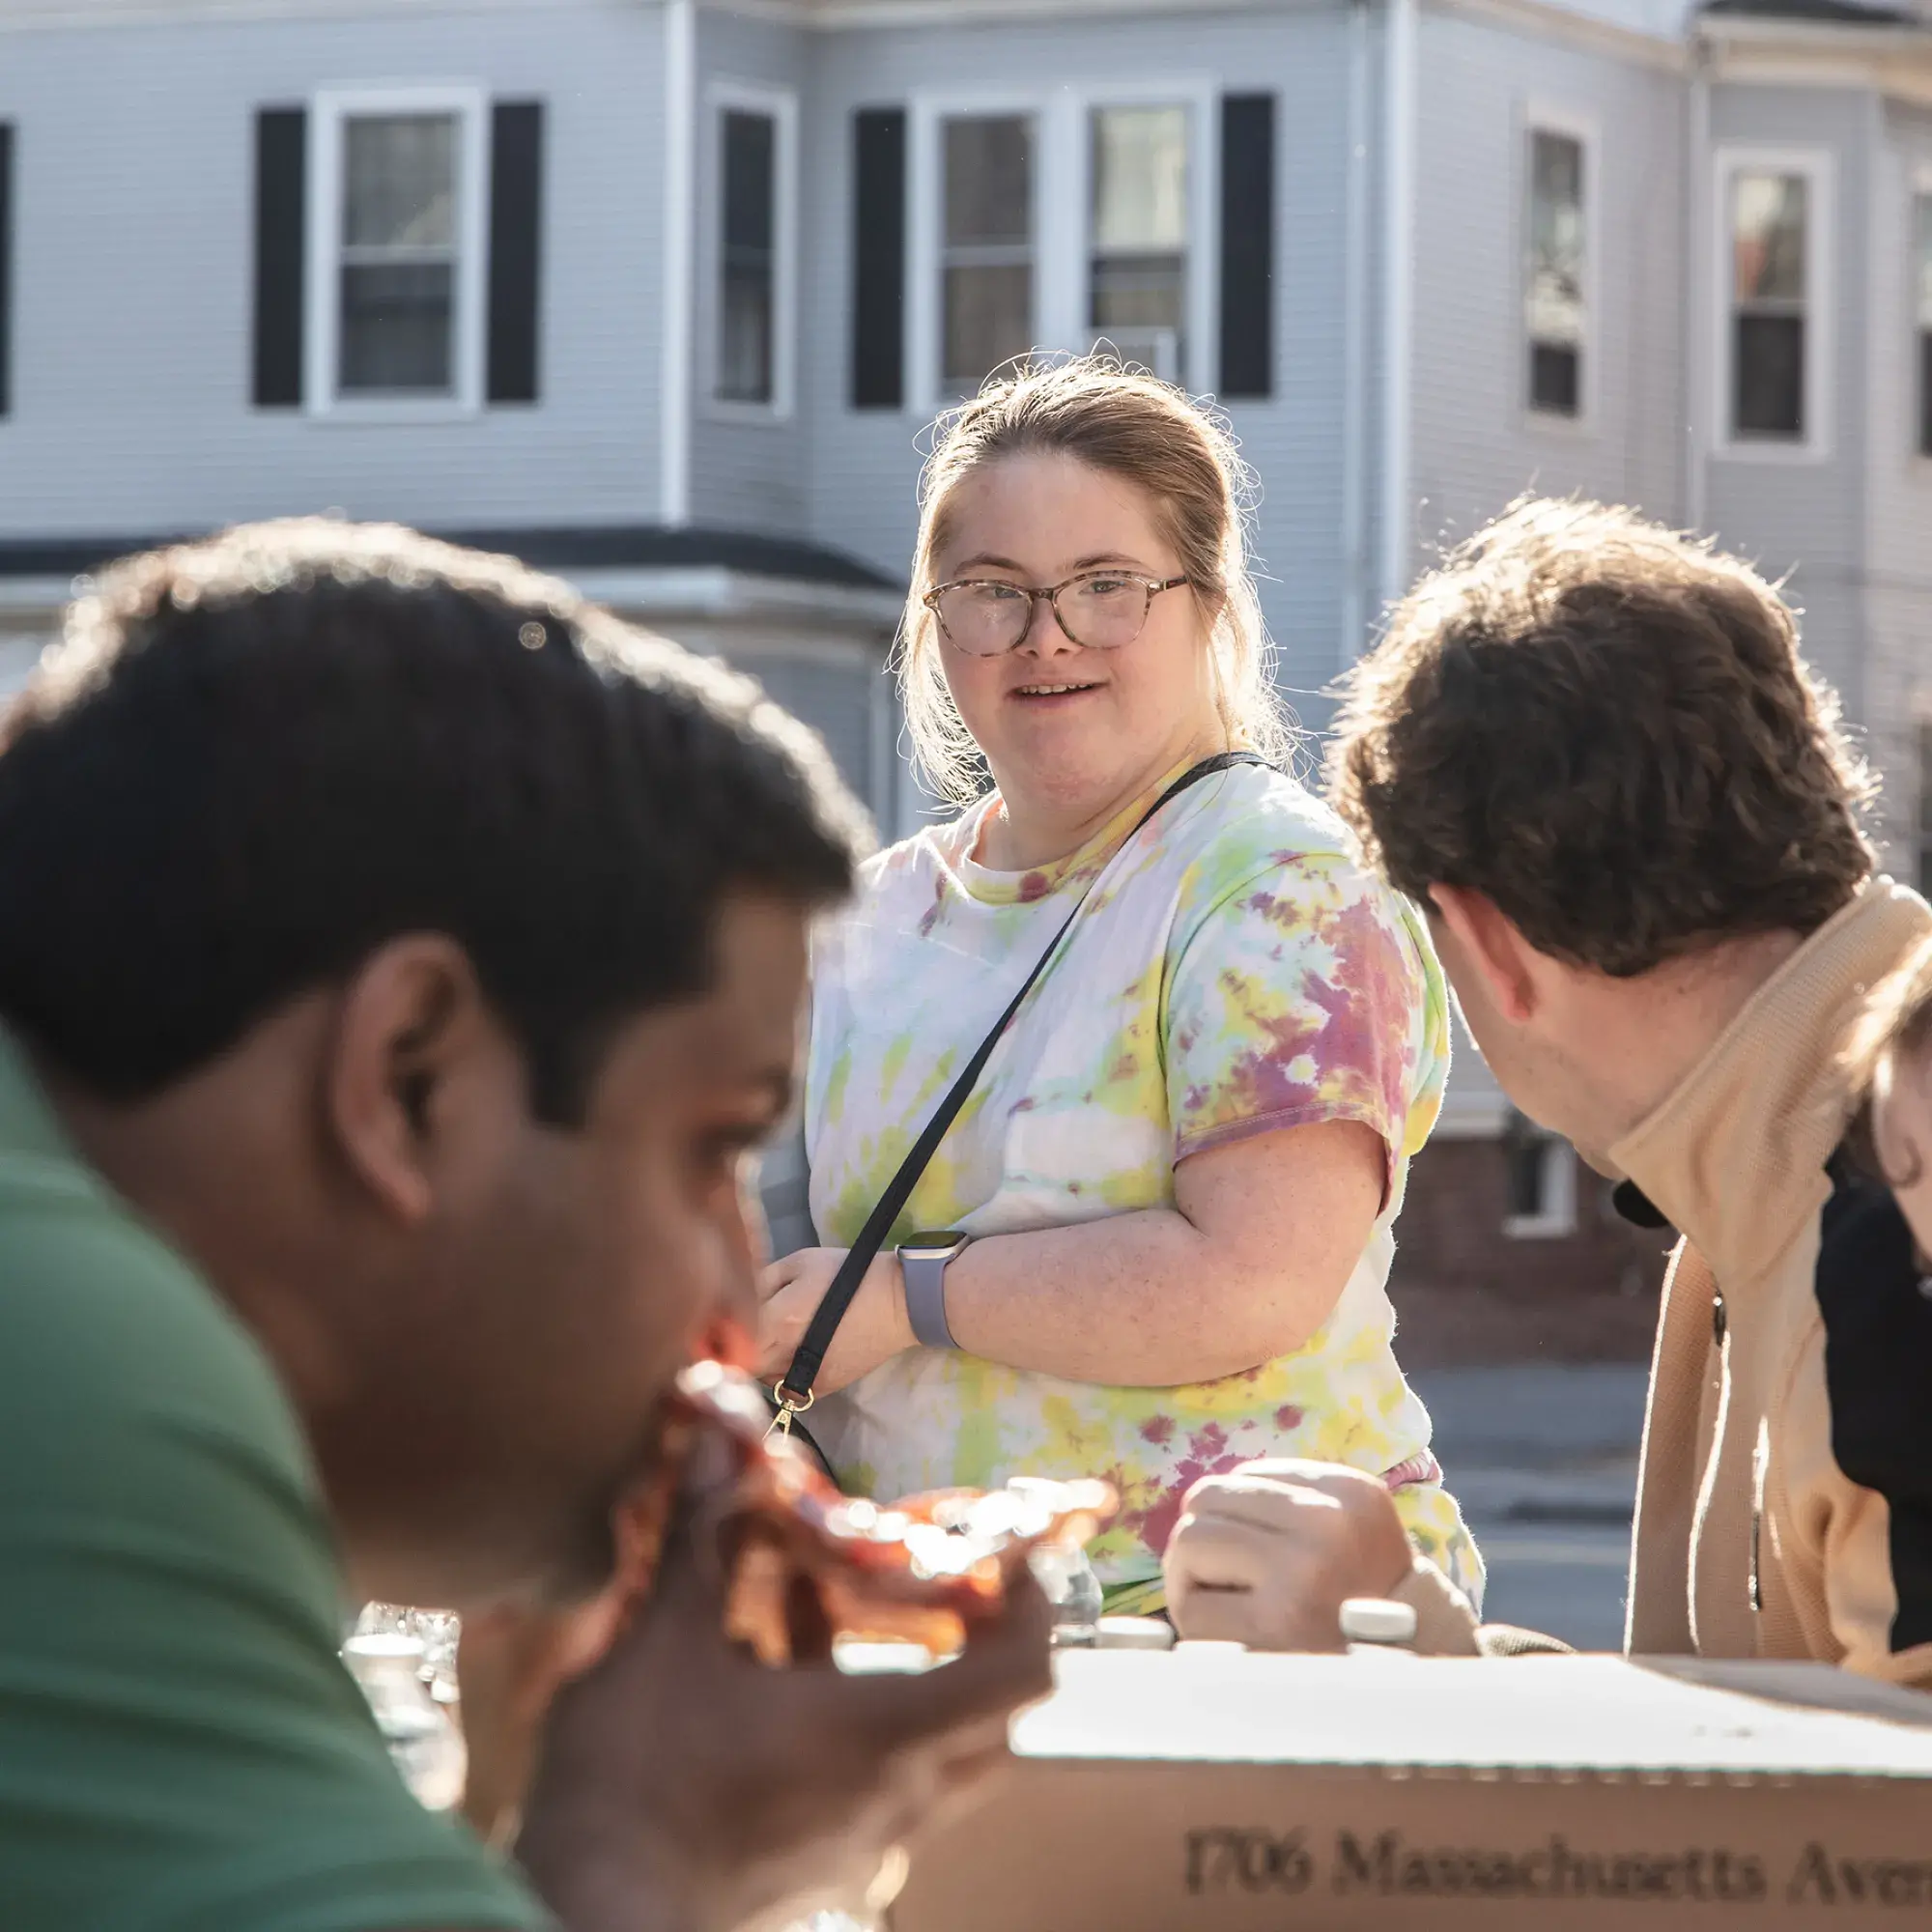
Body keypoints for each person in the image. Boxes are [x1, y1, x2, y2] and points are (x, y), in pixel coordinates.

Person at [0, 520, 1052, 1932]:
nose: (739, 1312)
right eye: (710, 1150)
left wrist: (497, 1819)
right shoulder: (68, 1362)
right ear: (408, 1077)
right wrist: (653, 1854)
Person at [754, 357, 1479, 1621]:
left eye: (1105, 588)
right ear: (936, 623)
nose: (1047, 637)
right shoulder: (866, 919)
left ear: (1208, 604)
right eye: (994, 593)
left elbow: (1253, 1279)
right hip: (932, 1635)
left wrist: (910, 1298)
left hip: (1252, 1634)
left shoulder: (1275, 881)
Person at [1164, 497, 1932, 1685]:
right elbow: (1761, 1757)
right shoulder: (1802, 1144)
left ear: (1484, 946)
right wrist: (1432, 1648)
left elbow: (1869, 1850)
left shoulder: (1880, 1224)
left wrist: (1439, 1684)